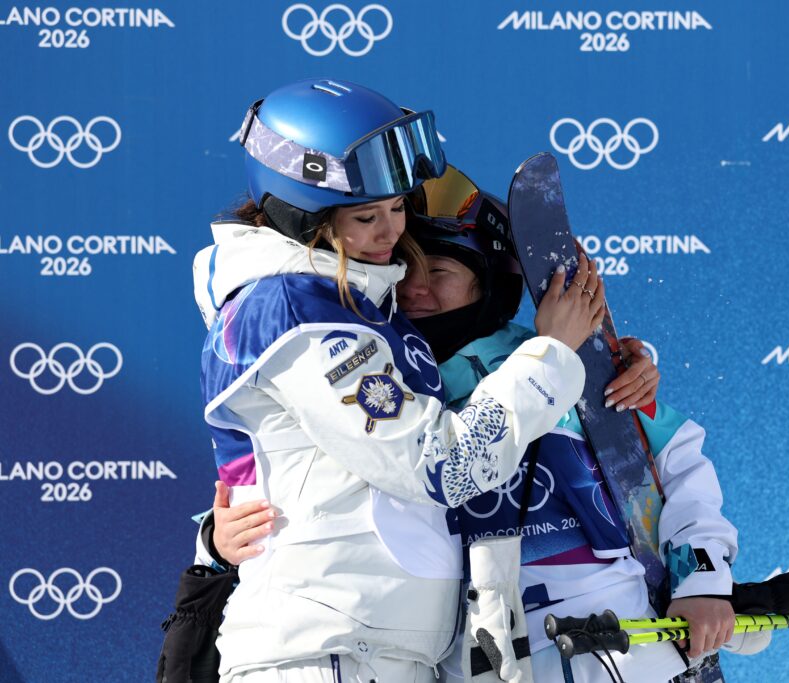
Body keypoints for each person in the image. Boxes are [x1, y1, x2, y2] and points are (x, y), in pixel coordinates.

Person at [210, 166, 741, 682]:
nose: (415, 289)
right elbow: (306, 484)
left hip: (620, 646)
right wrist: (215, 538)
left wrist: (704, 579)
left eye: (438, 271)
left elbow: (677, 468)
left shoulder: (570, 364)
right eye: (406, 268)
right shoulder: (377, 376)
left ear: (489, 278)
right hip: (470, 656)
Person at [191, 78, 605, 683]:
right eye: (366, 216)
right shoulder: (302, 315)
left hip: (365, 647)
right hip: (329, 652)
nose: (391, 232)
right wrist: (550, 356)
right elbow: (442, 466)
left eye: (396, 206)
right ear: (298, 216)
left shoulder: (342, 300)